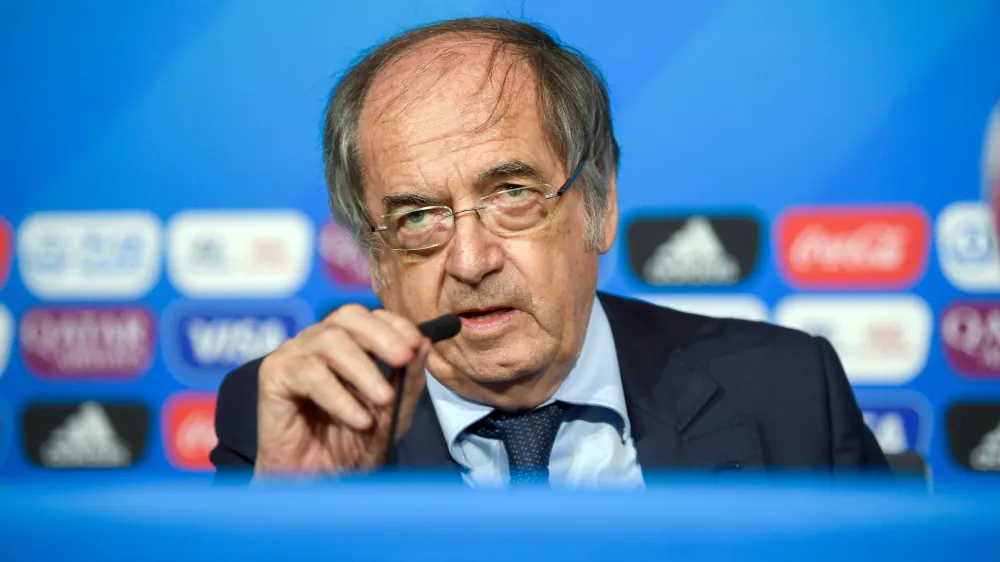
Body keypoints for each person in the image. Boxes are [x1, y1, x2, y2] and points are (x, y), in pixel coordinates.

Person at [210, 17, 889, 486]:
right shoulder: (289, 419)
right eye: (418, 217)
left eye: (512, 194)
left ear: (600, 204)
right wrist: (295, 517)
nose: (471, 261)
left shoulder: (788, 390)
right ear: (376, 257)